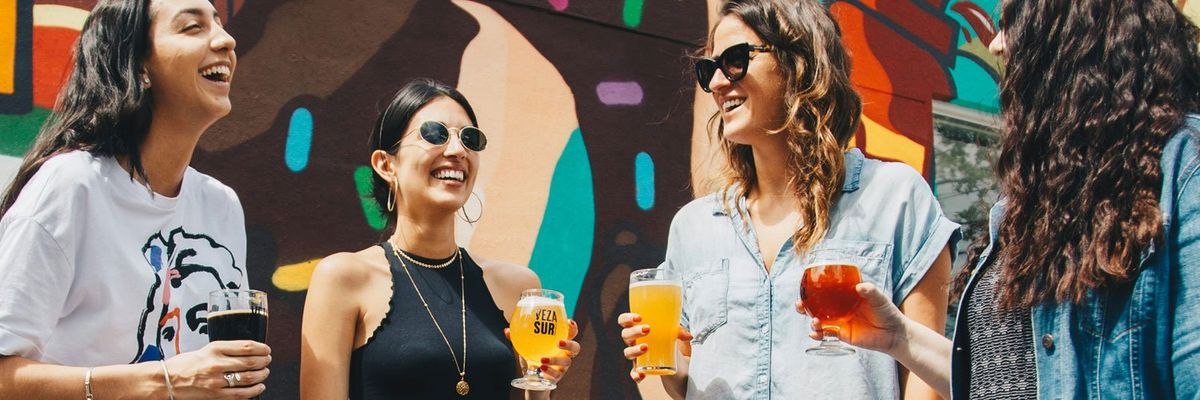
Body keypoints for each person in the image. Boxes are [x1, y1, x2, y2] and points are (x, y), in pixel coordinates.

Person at [793, 0, 1200, 399]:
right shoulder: (1029, 204)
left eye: (1013, 21)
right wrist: (898, 336)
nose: (997, 45)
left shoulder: (1182, 168)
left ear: (1076, 32)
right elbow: (996, 379)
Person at [618, 0, 960, 398]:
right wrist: (671, 365)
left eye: (735, 60)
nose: (716, 84)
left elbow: (926, 385)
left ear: (800, 62)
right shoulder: (694, 227)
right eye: (708, 70)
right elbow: (690, 384)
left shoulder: (895, 198)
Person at [0, 0, 270, 398]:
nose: (226, 40)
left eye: (220, 24)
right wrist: (166, 381)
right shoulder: (71, 187)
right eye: (192, 28)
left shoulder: (220, 206)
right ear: (140, 66)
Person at [299, 78, 581, 399]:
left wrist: (541, 381)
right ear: (386, 164)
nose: (457, 151)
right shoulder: (343, 277)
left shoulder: (519, 286)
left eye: (469, 139)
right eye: (435, 134)